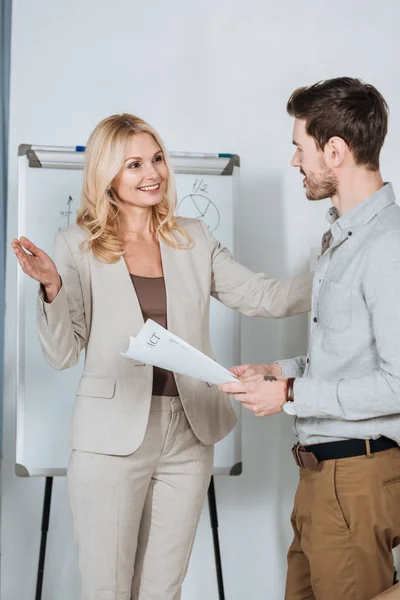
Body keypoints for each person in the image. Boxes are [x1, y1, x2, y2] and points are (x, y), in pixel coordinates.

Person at [11, 113, 312, 600]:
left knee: (161, 590)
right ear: (107, 174)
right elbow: (63, 353)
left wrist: (336, 272)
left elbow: (265, 297)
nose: (152, 173)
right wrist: (51, 286)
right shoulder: (77, 246)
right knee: (107, 589)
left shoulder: (192, 238)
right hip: (110, 437)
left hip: (189, 432)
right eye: (134, 164)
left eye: (156, 159)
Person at [220, 78, 400, 600]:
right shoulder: (343, 240)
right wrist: (280, 372)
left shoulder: (387, 246)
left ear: (335, 151)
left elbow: (397, 383)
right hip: (323, 479)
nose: (296, 161)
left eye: (301, 147)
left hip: (357, 479)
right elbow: (345, 358)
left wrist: (291, 396)